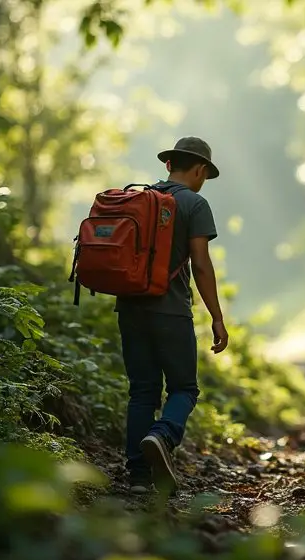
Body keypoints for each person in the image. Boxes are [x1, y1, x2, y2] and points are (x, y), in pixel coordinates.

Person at [115, 136, 230, 494]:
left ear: (168, 165)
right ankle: (162, 436)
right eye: (204, 175)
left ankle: (137, 475)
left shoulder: (139, 198)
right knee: (184, 388)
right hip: (170, 311)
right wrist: (216, 316)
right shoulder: (195, 204)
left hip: (130, 306)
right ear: (199, 169)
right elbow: (200, 264)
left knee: (142, 391)